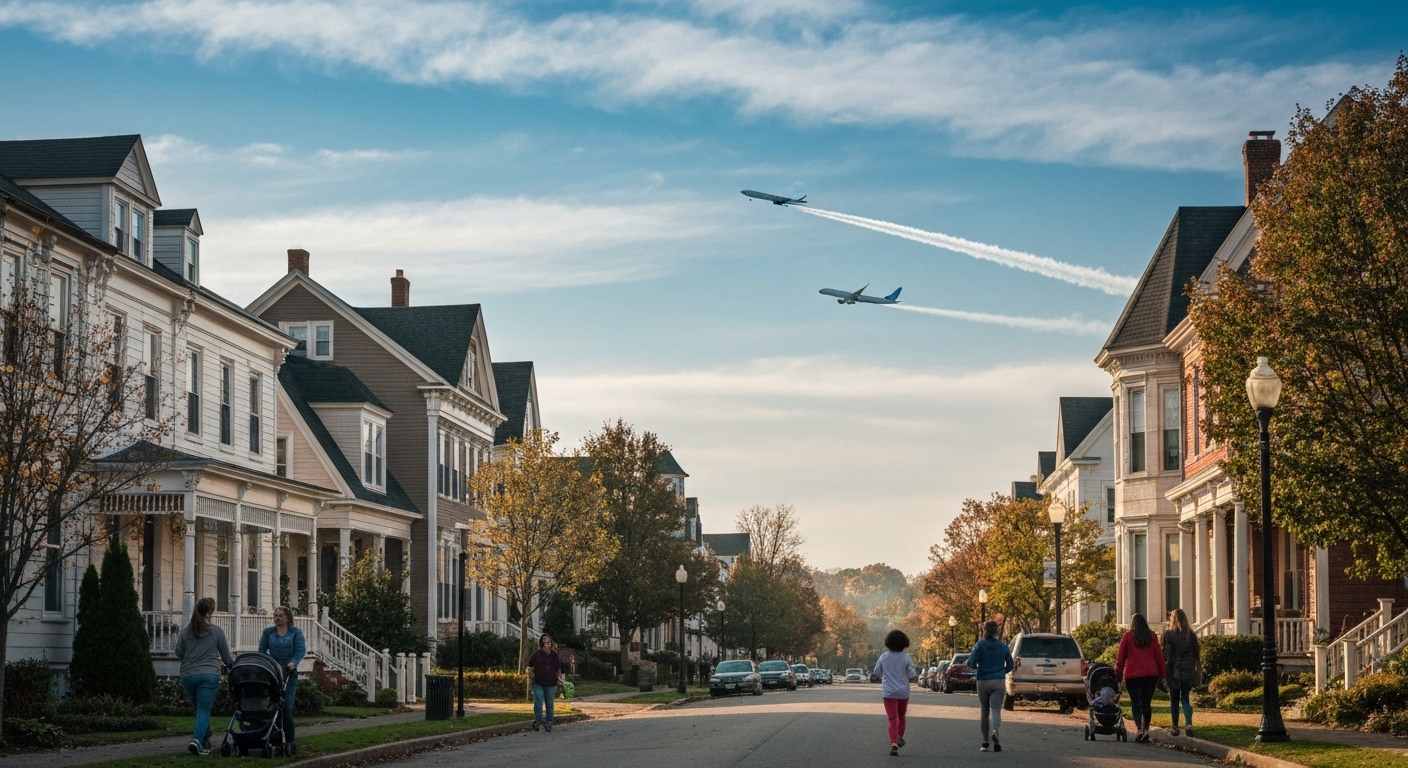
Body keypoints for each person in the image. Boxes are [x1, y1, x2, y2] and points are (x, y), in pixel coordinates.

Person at [174, 597, 235, 756]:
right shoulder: (215, 631)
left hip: (188, 675)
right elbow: (226, 656)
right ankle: (197, 741)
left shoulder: (186, 631)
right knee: (203, 709)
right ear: (209, 613)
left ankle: (205, 739)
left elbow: (179, 652)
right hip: (209, 675)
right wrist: (232, 668)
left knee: (200, 709)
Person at [259, 606, 306, 754]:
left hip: (289, 672)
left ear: (287, 617)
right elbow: (262, 651)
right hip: (273, 673)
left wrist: (294, 662)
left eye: (281, 615)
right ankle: (274, 738)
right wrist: (265, 664)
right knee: (272, 707)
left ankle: (290, 741)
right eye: (276, 615)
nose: (278, 618)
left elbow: (300, 650)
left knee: (286, 707)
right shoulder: (268, 633)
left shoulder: (295, 633)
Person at [1115, 613, 1166, 743]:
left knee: (1136, 703)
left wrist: (1118, 670)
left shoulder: (1128, 636)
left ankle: (1139, 729)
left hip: (1132, 674)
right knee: (1146, 703)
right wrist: (1162, 674)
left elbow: (1121, 656)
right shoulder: (1152, 636)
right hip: (1150, 674)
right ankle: (1146, 729)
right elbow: (1159, 656)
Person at [969, 620, 1014, 753]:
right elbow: (1011, 665)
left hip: (983, 681)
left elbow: (971, 662)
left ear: (984, 631)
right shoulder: (1003, 647)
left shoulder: (979, 645)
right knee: (996, 709)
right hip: (998, 681)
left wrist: (975, 665)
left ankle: (985, 742)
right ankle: (995, 730)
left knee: (984, 711)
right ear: (997, 632)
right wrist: (1001, 672)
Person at [872, 629, 917, 757]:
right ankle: (899, 737)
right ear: (904, 643)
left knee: (892, 719)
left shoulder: (883, 657)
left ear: (888, 642)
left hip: (889, 692)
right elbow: (912, 674)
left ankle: (894, 743)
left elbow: (877, 672)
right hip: (903, 692)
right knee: (901, 716)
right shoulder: (906, 657)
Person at [1163, 608, 1202, 737]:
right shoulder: (1191, 635)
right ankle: (1189, 724)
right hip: (1188, 671)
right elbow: (1197, 654)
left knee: (1174, 700)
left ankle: (1174, 726)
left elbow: (1165, 654)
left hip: (1174, 671)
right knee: (1185, 699)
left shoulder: (1169, 635)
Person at [528, 634, 564, 732]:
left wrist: (559, 676)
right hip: (538, 683)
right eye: (544, 643)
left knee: (549, 703)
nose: (546, 645)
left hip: (551, 684)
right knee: (538, 702)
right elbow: (530, 665)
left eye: (548, 643)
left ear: (551, 644)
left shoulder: (554, 656)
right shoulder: (537, 655)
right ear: (541, 644)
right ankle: (538, 721)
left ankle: (549, 723)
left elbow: (558, 669)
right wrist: (530, 673)